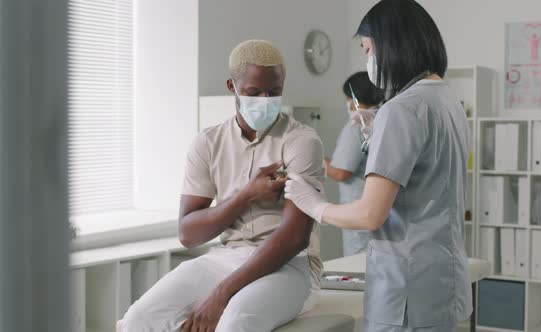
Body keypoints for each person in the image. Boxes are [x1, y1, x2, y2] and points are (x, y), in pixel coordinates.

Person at [284, 1, 472, 331]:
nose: (367, 59)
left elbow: (370, 214)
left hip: (407, 287)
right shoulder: (448, 102)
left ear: (391, 44)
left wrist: (314, 205)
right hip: (443, 277)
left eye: (367, 49)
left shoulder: (401, 110)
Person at [117, 39, 326, 332]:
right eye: (254, 92)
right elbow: (188, 234)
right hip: (226, 258)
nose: (266, 100)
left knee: (235, 320)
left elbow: (295, 238)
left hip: (290, 266)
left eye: (274, 92)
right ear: (233, 87)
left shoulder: (302, 141)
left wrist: (221, 294)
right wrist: (246, 196)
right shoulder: (208, 143)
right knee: (139, 318)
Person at [326, 71, 383, 256]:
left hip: (359, 210)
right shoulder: (382, 119)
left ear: (353, 98)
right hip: (382, 208)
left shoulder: (357, 125)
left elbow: (342, 172)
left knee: (359, 266)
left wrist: (315, 158)